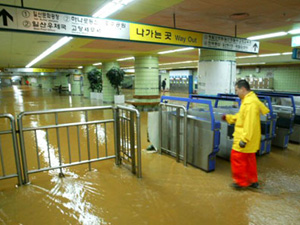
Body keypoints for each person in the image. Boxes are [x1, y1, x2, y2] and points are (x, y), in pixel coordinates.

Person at [222, 80, 269, 190]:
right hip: (250, 139)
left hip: (245, 138)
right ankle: (252, 181)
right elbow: (242, 116)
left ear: (243, 89)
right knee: (249, 160)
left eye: (237, 90)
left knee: (236, 157)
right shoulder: (248, 100)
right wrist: (229, 118)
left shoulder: (249, 103)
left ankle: (241, 182)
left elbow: (250, 122)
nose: (236, 93)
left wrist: (244, 139)